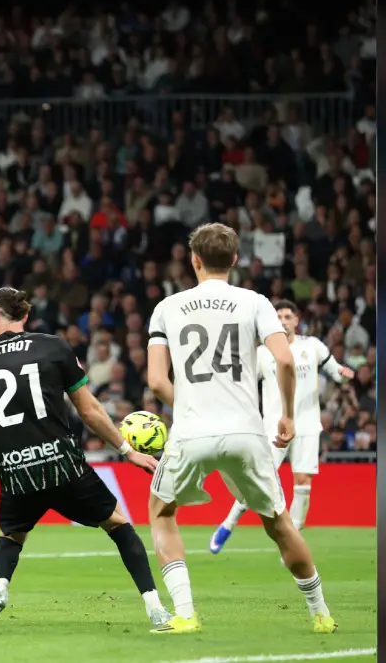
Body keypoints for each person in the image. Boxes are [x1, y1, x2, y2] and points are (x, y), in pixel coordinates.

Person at [145, 223, 336, 634]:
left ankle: (185, 614)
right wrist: (286, 415)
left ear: (193, 260)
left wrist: (193, 404)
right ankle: (320, 612)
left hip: (191, 431)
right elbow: (284, 360)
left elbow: (157, 381)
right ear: (234, 260)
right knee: (279, 523)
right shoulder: (255, 302)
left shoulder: (167, 307)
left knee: (161, 512)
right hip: (248, 431)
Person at [0, 287, 167, 630]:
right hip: (62, 464)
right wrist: (127, 451)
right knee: (118, 525)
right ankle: (155, 607)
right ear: (24, 316)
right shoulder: (53, 347)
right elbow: (89, 410)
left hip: (16, 472)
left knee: (11, 536)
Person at [210, 299, 353, 552]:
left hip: (307, 425)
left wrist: (343, 372)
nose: (284, 320)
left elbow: (334, 369)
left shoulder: (313, 346)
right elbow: (243, 381)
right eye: (279, 317)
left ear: (297, 320)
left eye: (288, 316)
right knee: (257, 478)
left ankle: (294, 540)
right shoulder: (264, 353)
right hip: (273, 427)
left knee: (303, 480)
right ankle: (227, 524)